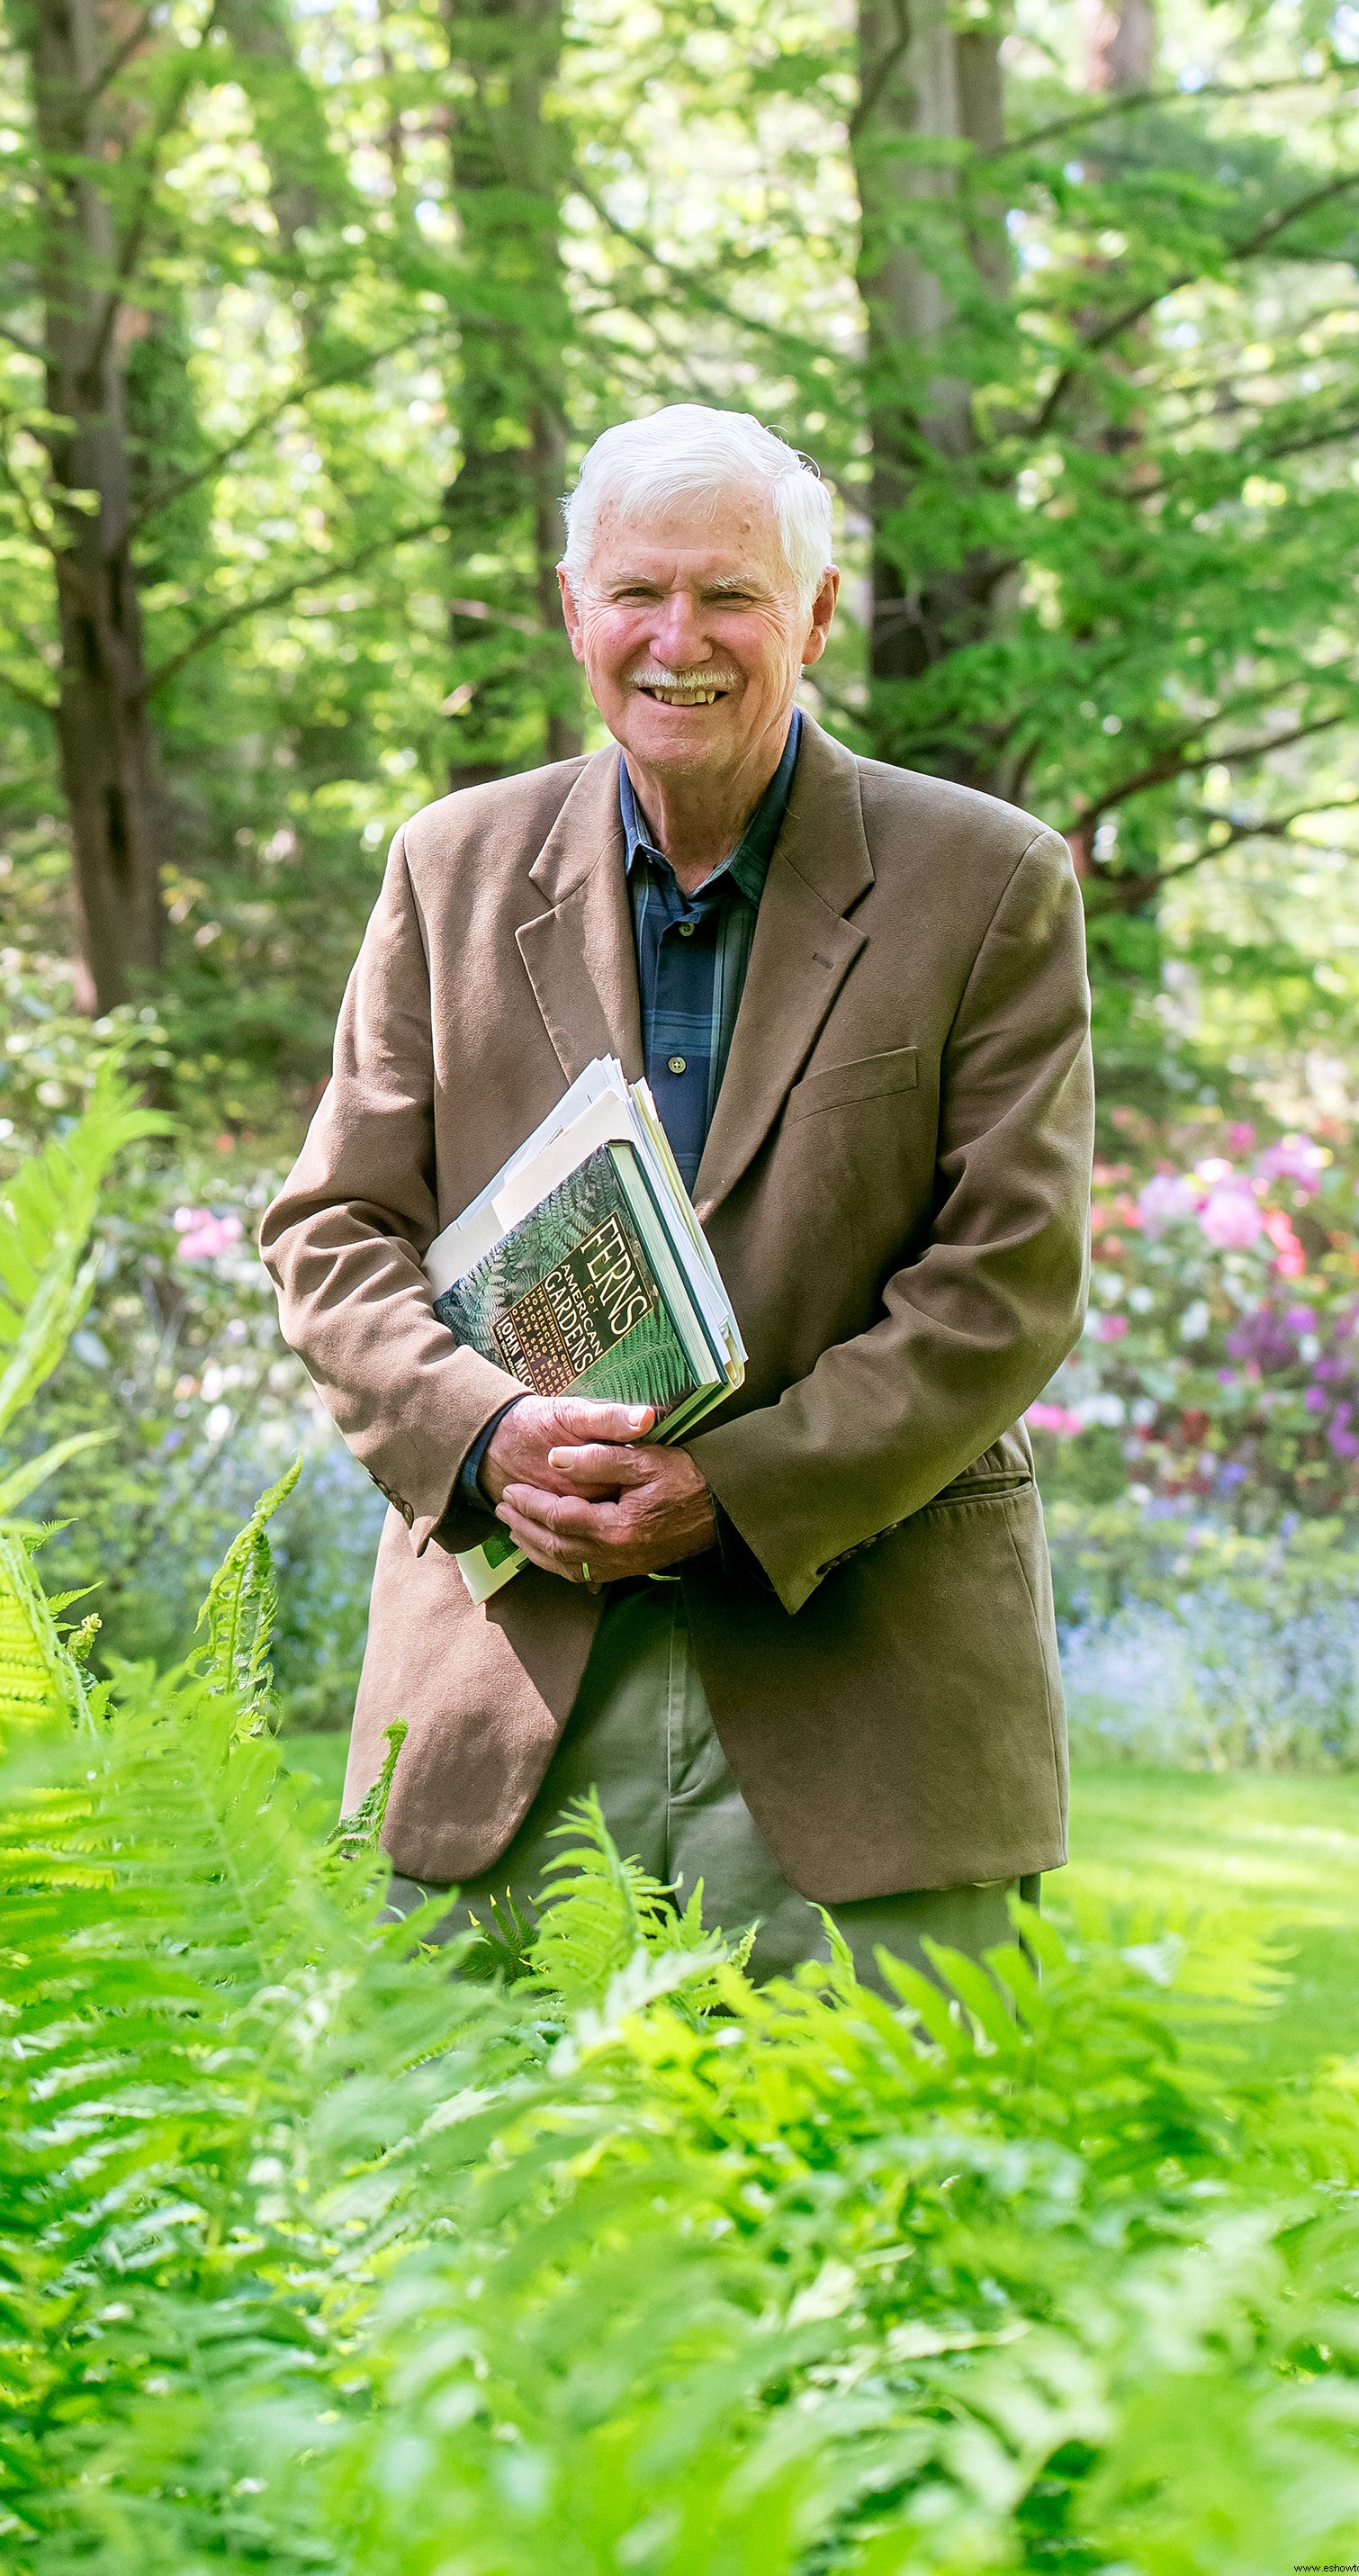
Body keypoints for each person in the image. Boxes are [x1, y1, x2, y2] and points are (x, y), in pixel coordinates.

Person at [261, 403, 1093, 1993]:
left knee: (874, 2223)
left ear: (819, 614)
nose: (678, 640)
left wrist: (743, 1487)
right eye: (637, 594)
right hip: (503, 1705)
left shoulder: (989, 882)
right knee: (480, 2223)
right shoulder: (449, 866)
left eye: (730, 597)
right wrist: (487, 1434)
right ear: (575, 611)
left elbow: (1007, 1281)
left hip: (867, 1698)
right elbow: (333, 1231)